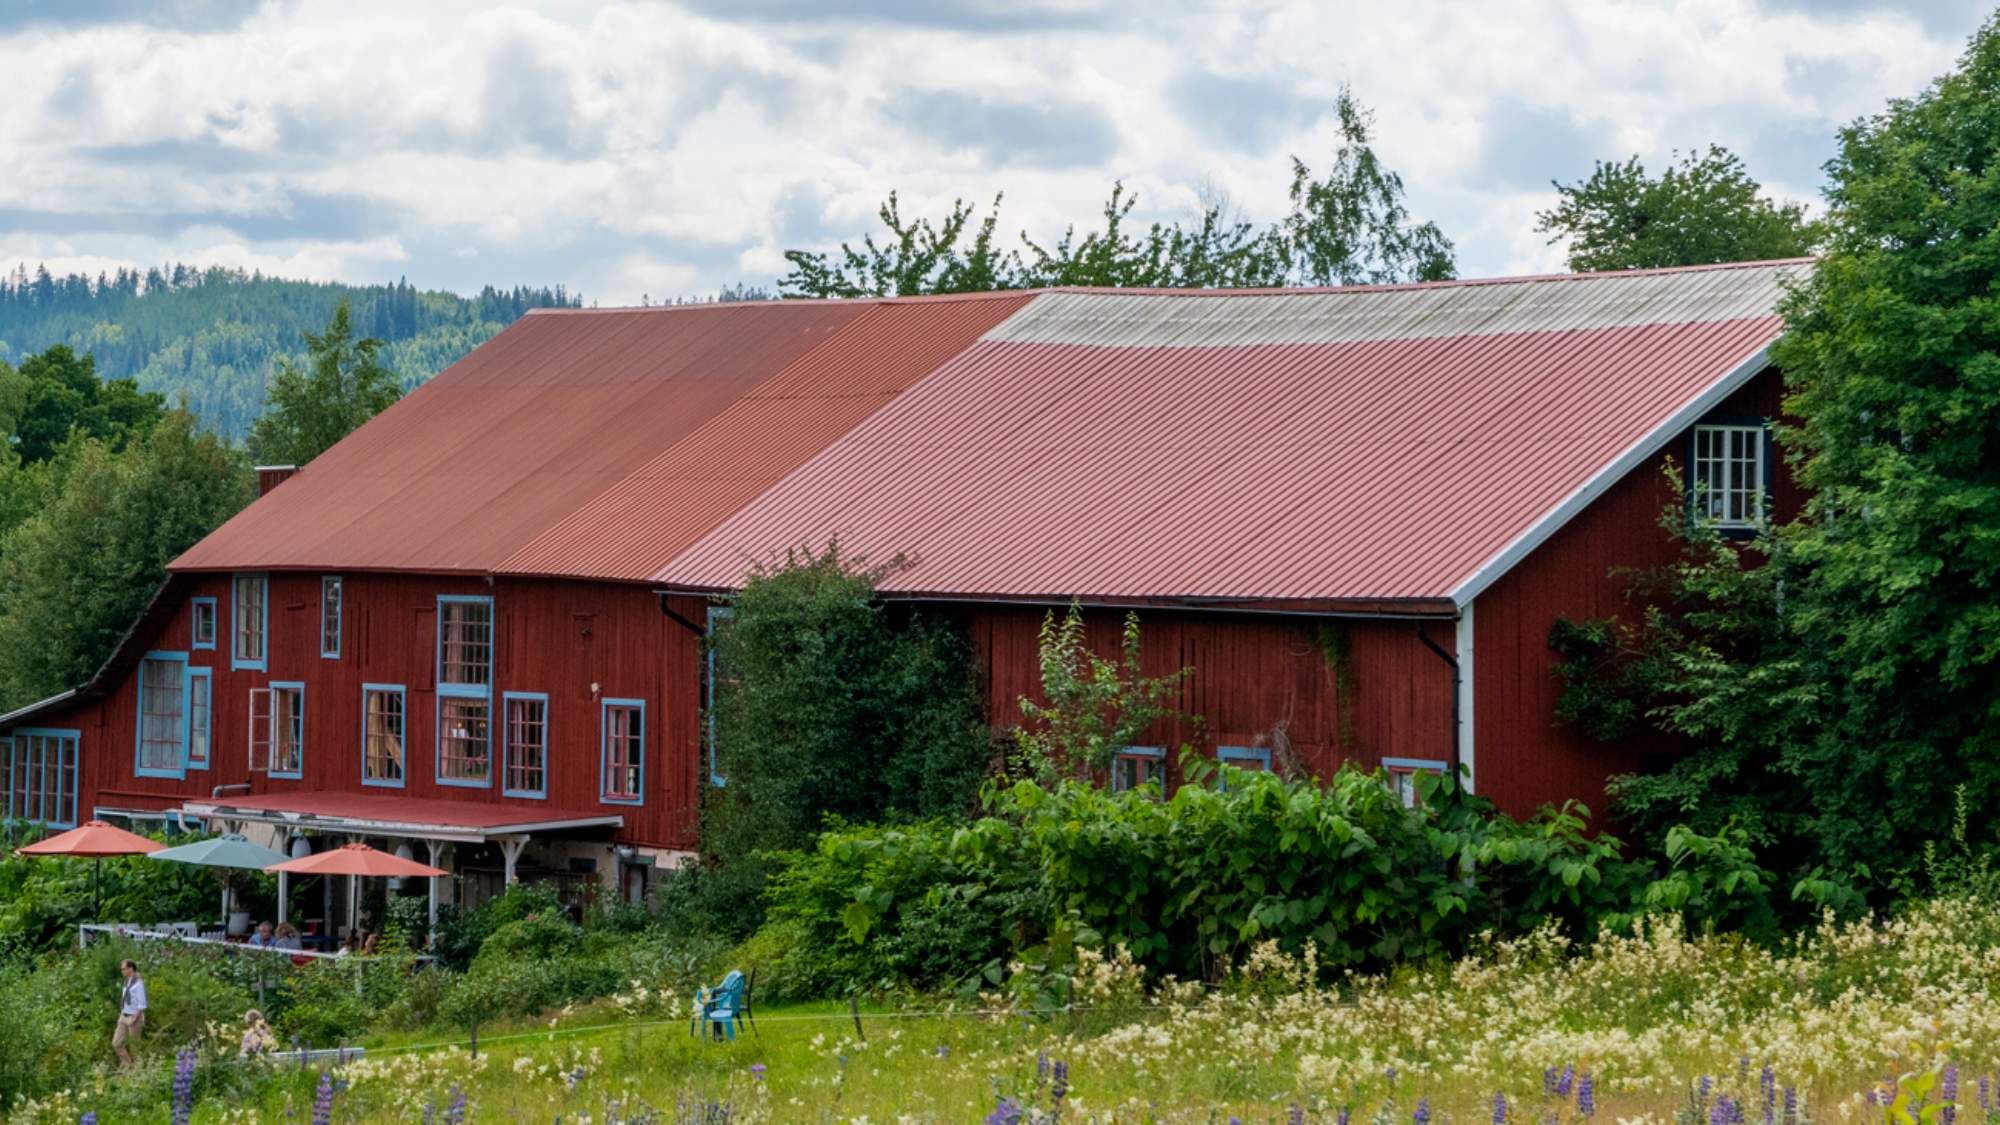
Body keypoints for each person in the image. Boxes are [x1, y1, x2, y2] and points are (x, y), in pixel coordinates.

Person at [113, 959, 146, 1068]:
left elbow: (142, 1004)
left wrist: (134, 1018)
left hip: (134, 1018)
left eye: (124, 969)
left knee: (135, 1048)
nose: (122, 971)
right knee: (116, 1043)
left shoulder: (138, 983)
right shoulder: (126, 981)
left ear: (130, 969)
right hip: (123, 1016)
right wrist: (122, 1013)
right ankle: (128, 1065)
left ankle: (137, 1072)